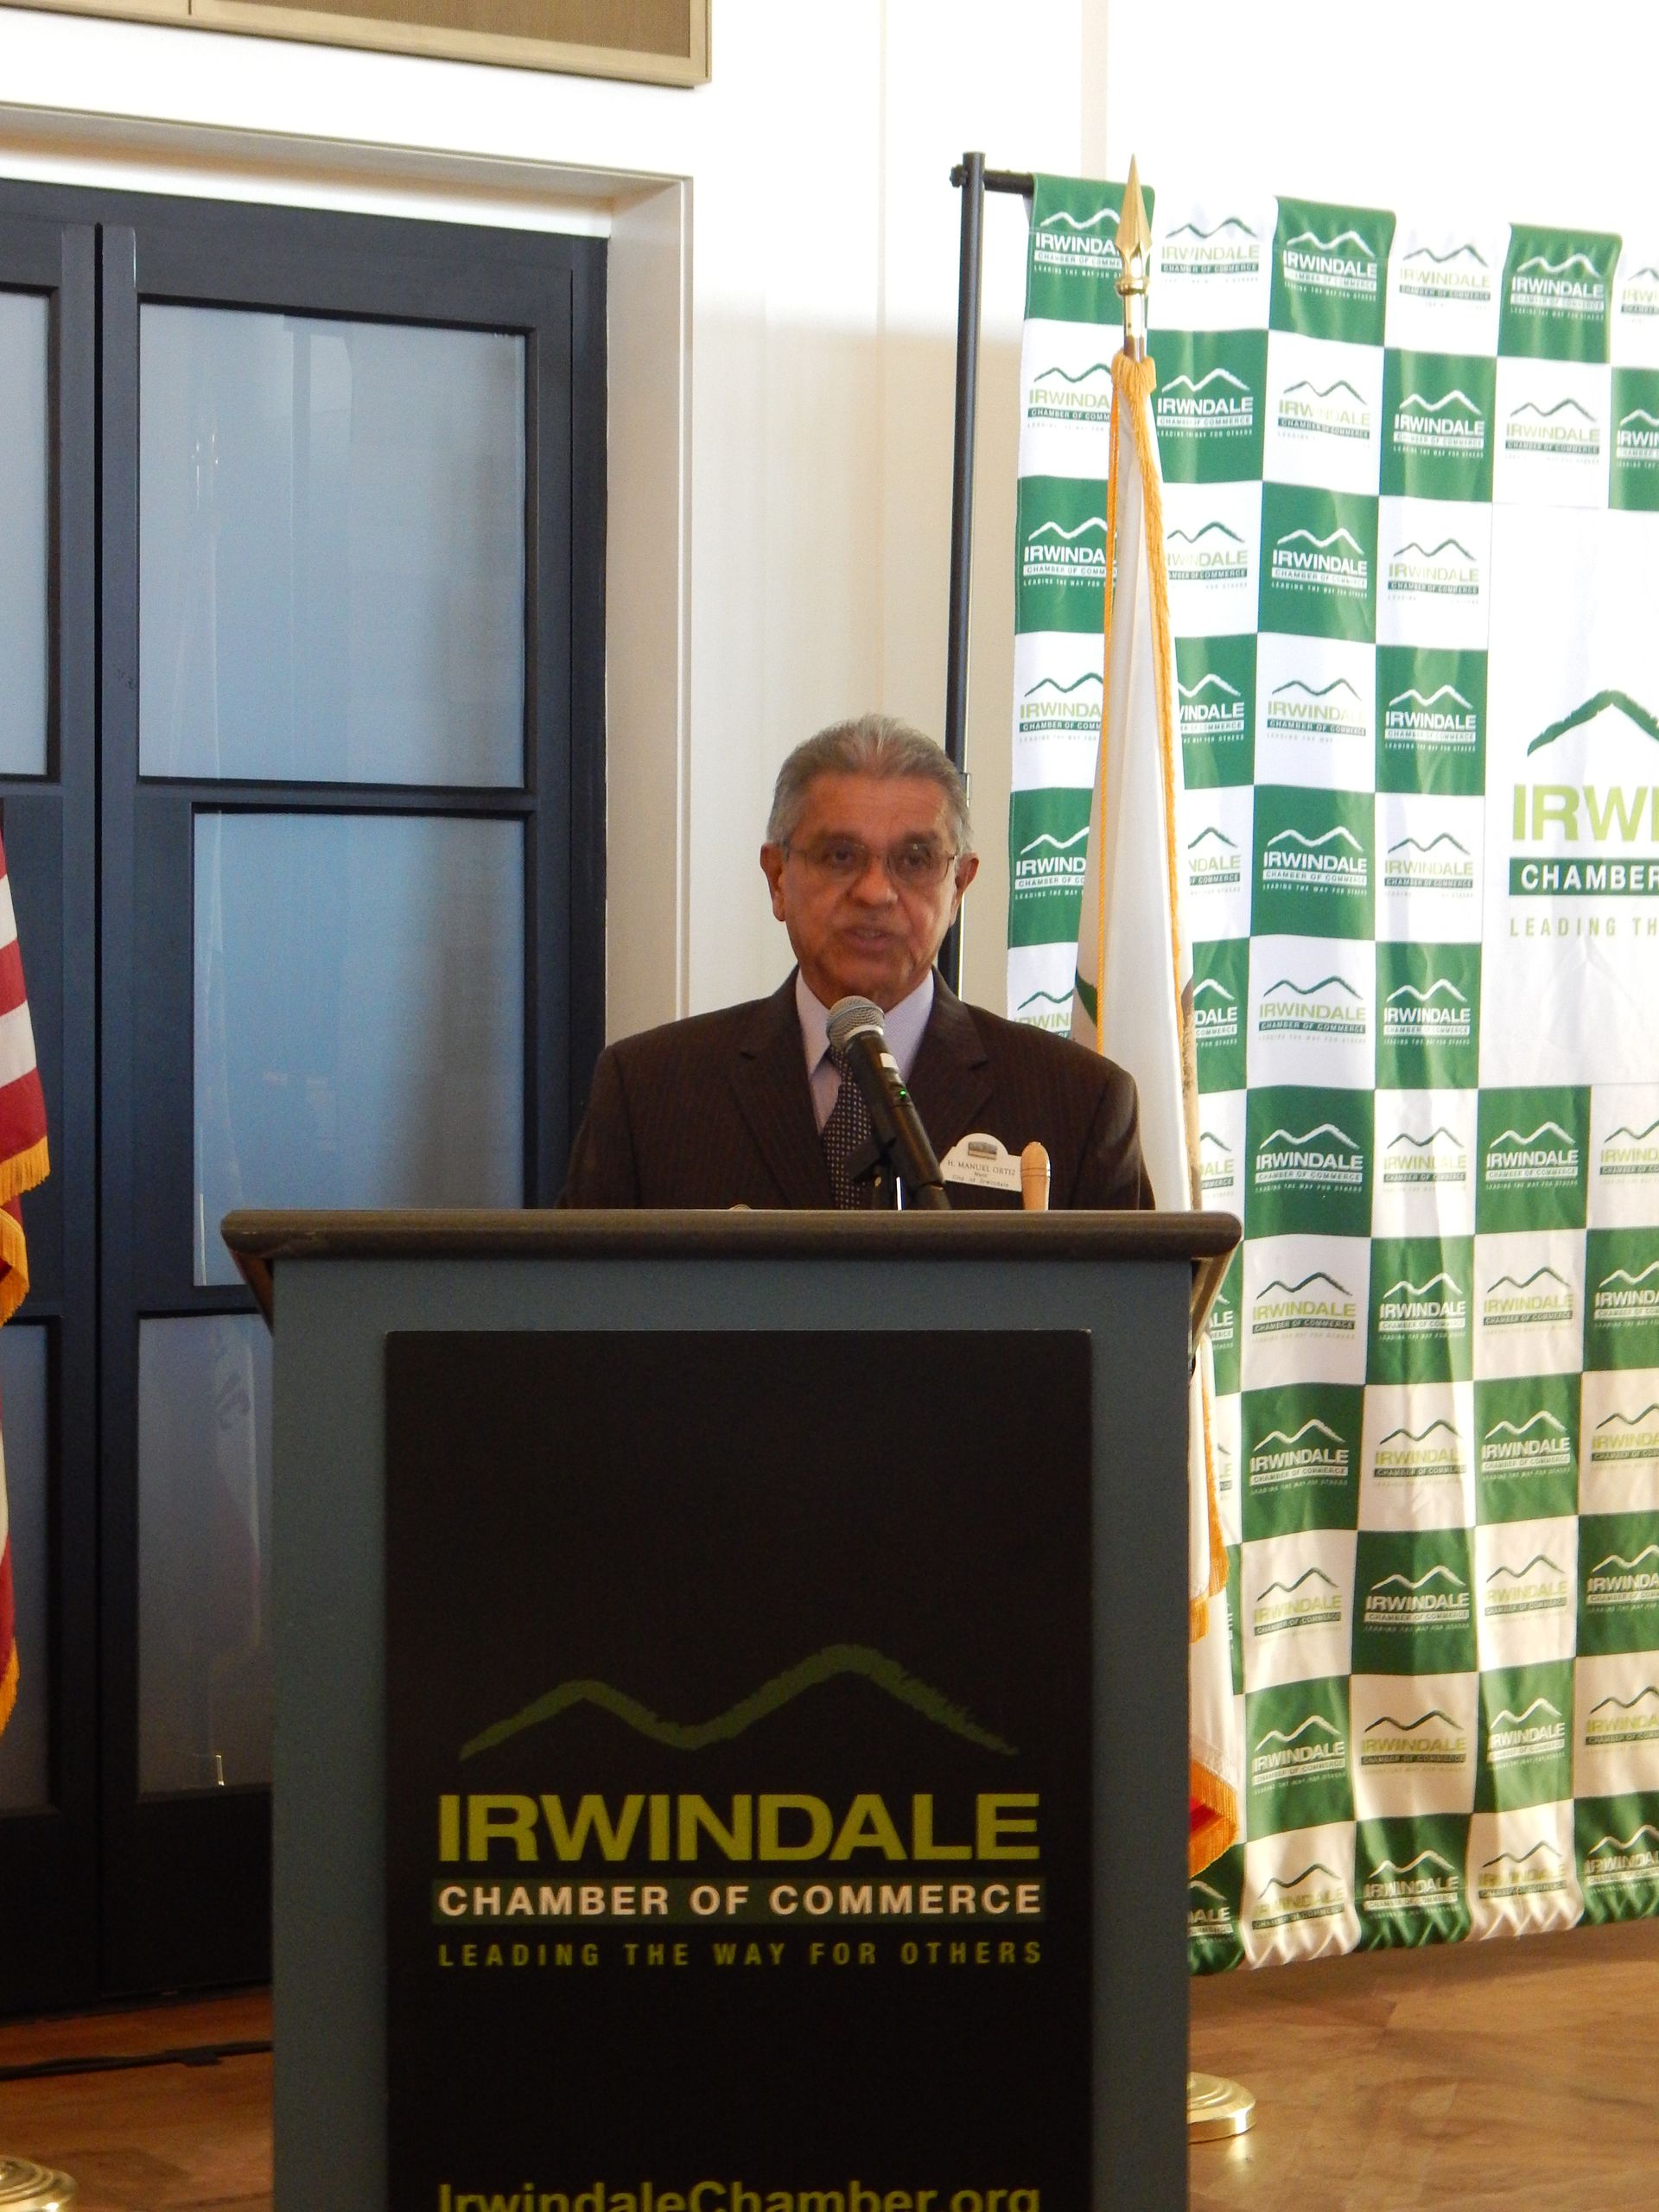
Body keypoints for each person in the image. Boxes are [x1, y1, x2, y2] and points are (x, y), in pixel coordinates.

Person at [560, 714, 1151, 1211]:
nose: (875, 892)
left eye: (916, 859)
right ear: (778, 877)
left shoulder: (1080, 1104)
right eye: (840, 856)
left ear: (960, 887)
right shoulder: (648, 1095)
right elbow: (577, 1332)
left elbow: (1138, 1341)